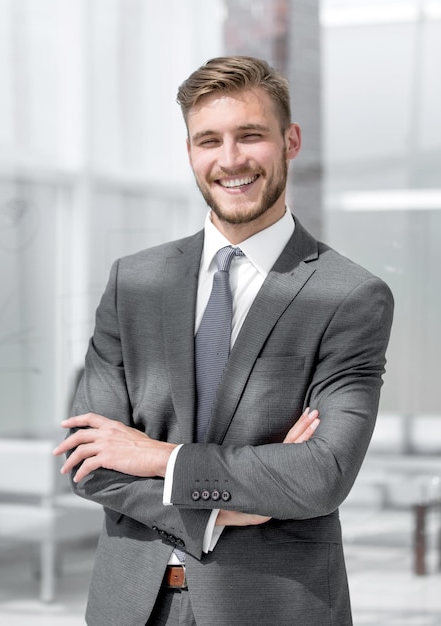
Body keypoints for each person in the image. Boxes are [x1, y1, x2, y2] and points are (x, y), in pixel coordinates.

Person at [53, 56, 394, 625]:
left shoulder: (350, 296)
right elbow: (87, 460)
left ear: (290, 140)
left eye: (251, 136)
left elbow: (322, 475)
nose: (230, 160)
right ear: (190, 152)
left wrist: (160, 458)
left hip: (274, 605)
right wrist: (227, 505)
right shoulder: (132, 281)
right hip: (131, 605)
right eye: (208, 140)